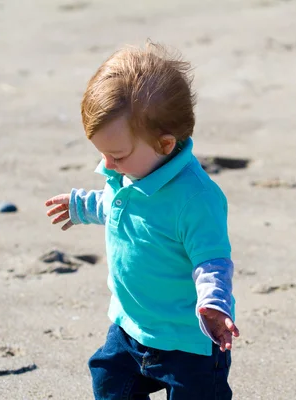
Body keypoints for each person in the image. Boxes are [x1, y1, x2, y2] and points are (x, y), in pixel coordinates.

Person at [45, 42, 239, 400]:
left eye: (116, 155)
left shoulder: (196, 200)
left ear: (165, 145)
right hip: (131, 327)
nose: (107, 165)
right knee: (108, 382)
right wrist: (82, 206)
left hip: (187, 341)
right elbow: (117, 207)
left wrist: (213, 303)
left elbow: (212, 260)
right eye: (101, 153)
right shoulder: (131, 174)